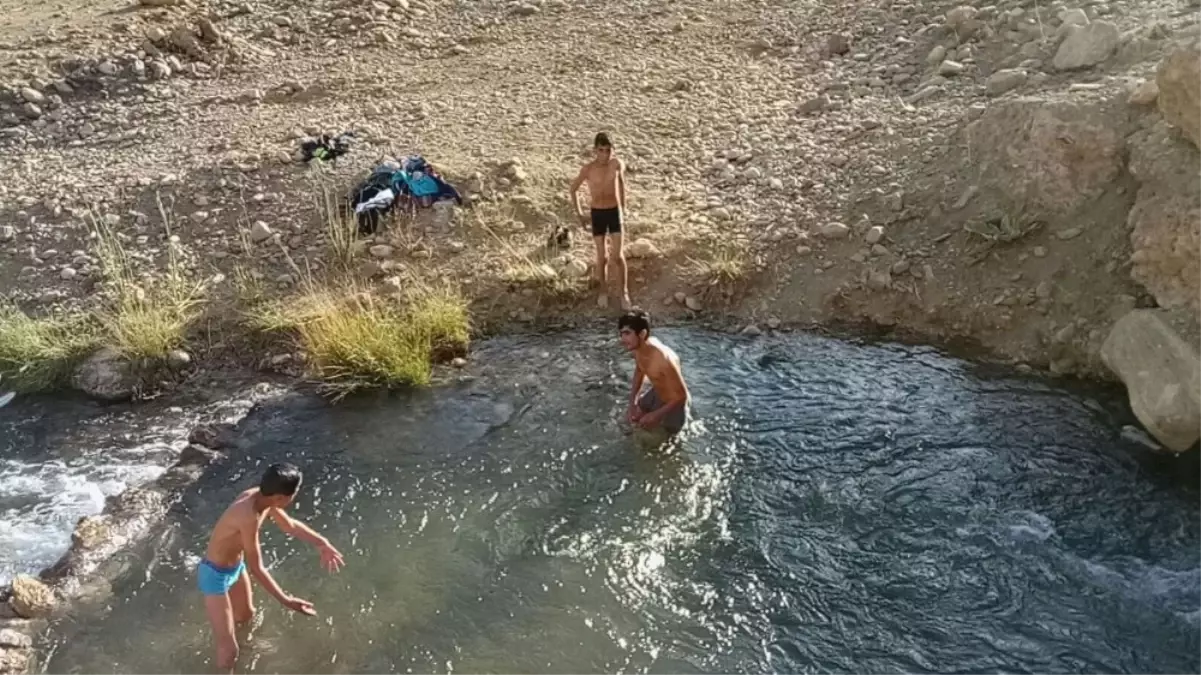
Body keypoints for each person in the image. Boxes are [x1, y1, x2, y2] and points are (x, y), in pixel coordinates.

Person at [199, 463, 344, 671]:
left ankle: (241, 648)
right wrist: (286, 600)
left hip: (235, 568)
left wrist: (322, 543)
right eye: (294, 494)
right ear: (280, 498)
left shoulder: (262, 498)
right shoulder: (248, 516)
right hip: (214, 575)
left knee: (247, 616)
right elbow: (257, 568)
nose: (294, 498)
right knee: (229, 649)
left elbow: (289, 526)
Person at [569, 132, 631, 310]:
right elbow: (573, 189)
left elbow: (621, 182)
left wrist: (623, 208)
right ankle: (603, 291)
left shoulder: (616, 164)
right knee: (601, 256)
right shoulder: (588, 169)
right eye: (601, 150)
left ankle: (623, 293)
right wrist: (580, 213)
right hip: (597, 213)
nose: (605, 154)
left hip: (614, 211)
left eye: (608, 150)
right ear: (595, 150)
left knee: (618, 256)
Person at [619, 310, 689, 435]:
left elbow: (682, 396)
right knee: (630, 422)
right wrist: (632, 402)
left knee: (664, 442)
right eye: (621, 334)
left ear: (642, 333)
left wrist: (656, 415)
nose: (623, 339)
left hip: (675, 404)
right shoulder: (638, 348)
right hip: (657, 392)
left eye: (627, 334)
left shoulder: (664, 359)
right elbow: (639, 370)